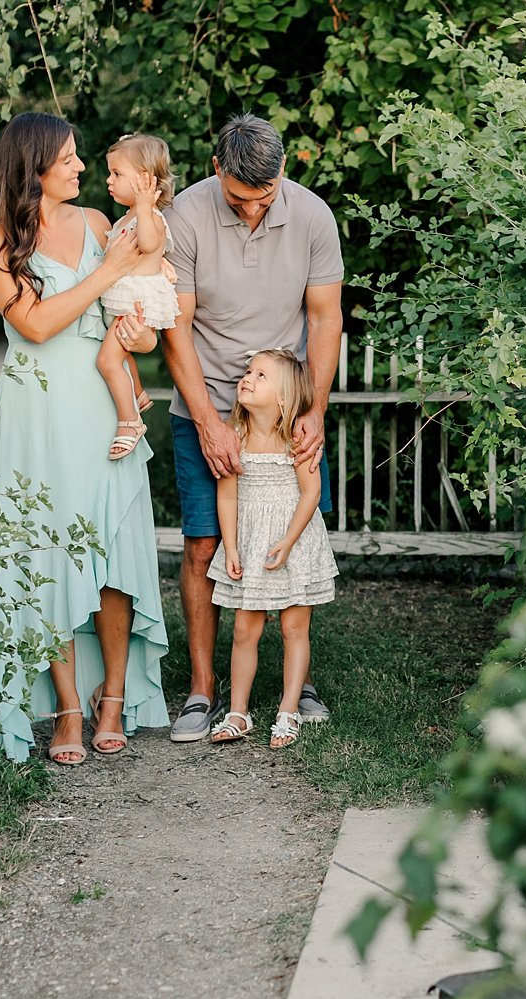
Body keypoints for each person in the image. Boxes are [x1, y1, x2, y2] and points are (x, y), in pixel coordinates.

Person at [0, 112, 171, 765]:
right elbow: (34, 325)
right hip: (39, 408)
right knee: (50, 554)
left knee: (114, 550)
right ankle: (64, 705)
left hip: (102, 398)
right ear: (33, 166)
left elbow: (136, 329)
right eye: (67, 158)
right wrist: (108, 272)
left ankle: (111, 697)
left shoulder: (96, 225)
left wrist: (137, 330)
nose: (81, 168)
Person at [162, 113, 343, 742]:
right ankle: (203, 690)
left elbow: (324, 320)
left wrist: (314, 409)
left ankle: (299, 684)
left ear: (282, 173)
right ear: (218, 171)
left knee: (291, 540)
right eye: (240, 199)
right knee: (206, 546)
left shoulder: (314, 218)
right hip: (206, 403)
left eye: (264, 198)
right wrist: (211, 424)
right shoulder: (182, 218)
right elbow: (174, 328)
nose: (252, 209)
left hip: (285, 409)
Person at [205, 350, 338, 748]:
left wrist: (289, 540)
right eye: (247, 371)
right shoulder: (235, 437)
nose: (247, 378)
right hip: (251, 543)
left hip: (293, 540)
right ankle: (237, 712)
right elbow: (226, 497)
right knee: (246, 628)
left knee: (293, 627)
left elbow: (311, 492)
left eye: (260, 375)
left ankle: (288, 710)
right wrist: (230, 547)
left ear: (283, 398)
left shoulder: (297, 439)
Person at [97, 132, 179, 460]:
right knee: (123, 357)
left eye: (117, 174)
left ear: (144, 180)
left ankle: (130, 421)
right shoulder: (129, 216)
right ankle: (139, 394)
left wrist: (145, 206)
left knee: (107, 360)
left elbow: (146, 243)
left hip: (135, 306)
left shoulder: (150, 217)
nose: (109, 180)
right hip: (125, 302)